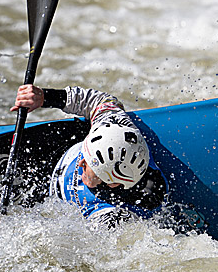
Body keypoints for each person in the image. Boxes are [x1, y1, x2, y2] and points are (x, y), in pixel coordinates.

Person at [12, 84, 169, 228]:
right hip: (56, 153)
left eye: (88, 165)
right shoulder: (115, 129)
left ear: (112, 184)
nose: (80, 163)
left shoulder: (112, 217)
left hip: (45, 198)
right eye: (85, 157)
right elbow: (100, 101)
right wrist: (45, 97)